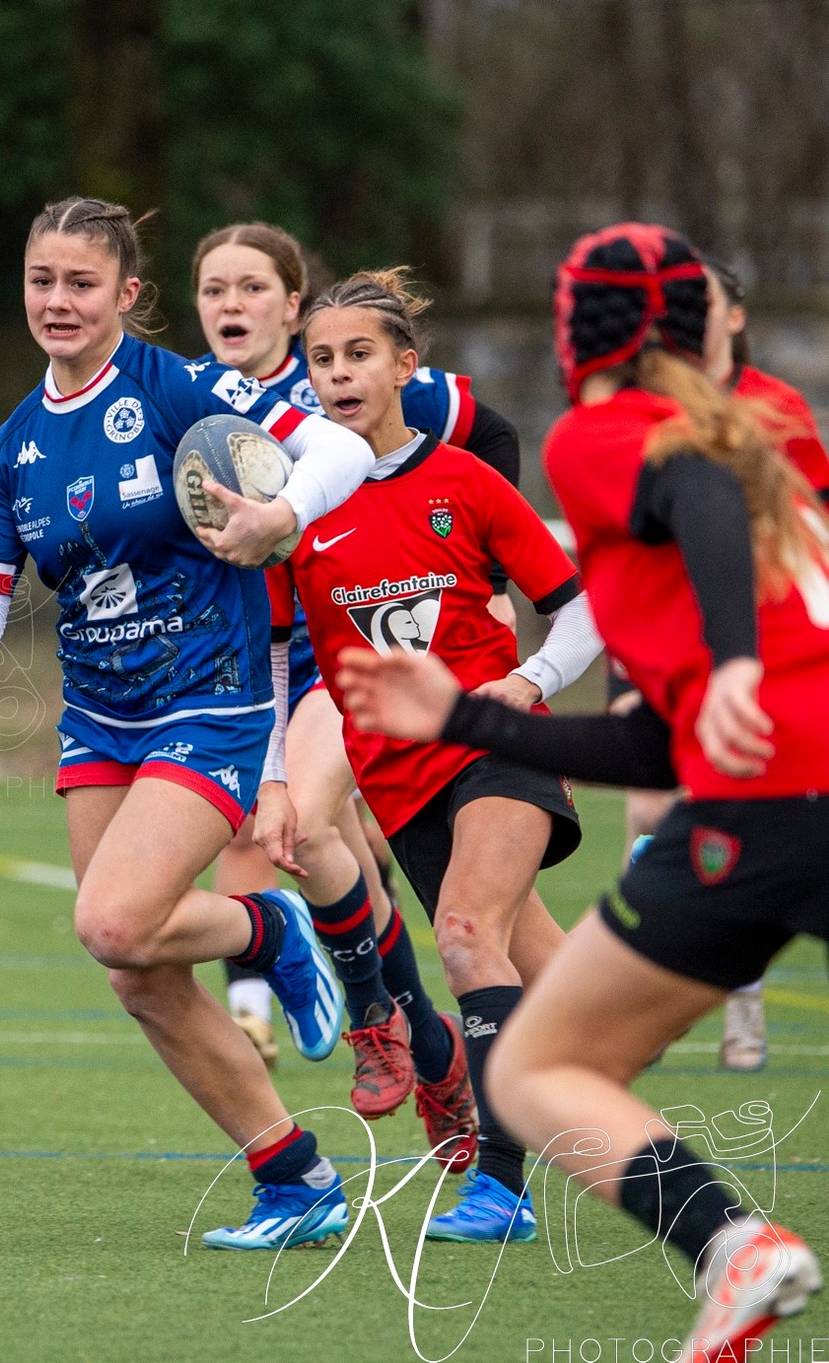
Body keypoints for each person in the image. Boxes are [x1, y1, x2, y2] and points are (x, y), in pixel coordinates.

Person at [335, 223, 825, 1355]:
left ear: (573, 333)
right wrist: (461, 716)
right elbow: (660, 742)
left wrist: (738, 658)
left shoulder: (604, 436)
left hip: (771, 804)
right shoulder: (775, 433)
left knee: (539, 1068)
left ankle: (731, 1247)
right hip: (762, 786)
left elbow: (692, 494)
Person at [0, 197, 379, 1250]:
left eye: (80, 283)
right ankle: (295, 1177)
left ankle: (267, 926)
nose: (57, 300)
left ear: (126, 296)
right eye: (42, 280)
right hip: (99, 714)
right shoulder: (9, 447)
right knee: (133, 969)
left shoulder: (174, 386)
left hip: (210, 696)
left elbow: (340, 452)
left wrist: (279, 513)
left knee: (109, 921)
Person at [256, 267, 603, 1240]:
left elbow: (579, 610)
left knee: (459, 932)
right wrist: (279, 780)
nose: (337, 373)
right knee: (537, 967)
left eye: (357, 353)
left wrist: (528, 682)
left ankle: (498, 1184)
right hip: (395, 786)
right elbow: (281, 664)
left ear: (406, 365)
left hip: (495, 750)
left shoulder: (464, 481)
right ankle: (623, 1044)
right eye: (320, 359)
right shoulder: (298, 518)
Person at [192, 223, 516, 1130]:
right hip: (259, 654)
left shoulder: (343, 376)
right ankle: (422, 1040)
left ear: (293, 305)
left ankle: (435, 1038)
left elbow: (487, 430)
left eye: (252, 288)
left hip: (351, 659)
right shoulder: (189, 398)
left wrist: (481, 579)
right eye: (214, 290)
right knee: (296, 838)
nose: (231, 306)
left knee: (307, 836)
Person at [609, 256, 829, 1070]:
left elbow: (806, 525)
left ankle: (741, 997)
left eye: (696, 301)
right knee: (646, 813)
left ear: (734, 316)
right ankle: (653, 991)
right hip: (662, 640)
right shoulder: (643, 409)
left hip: (755, 646)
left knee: (735, 811)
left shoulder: (776, 408)